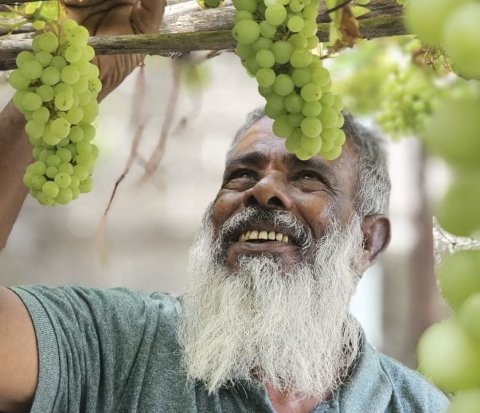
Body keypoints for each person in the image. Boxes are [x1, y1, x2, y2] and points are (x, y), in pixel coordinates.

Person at [0, 1, 449, 412]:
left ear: (367, 240)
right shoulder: (120, 343)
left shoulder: (417, 405)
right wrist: (44, 98)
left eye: (308, 177)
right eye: (241, 175)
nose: (263, 190)